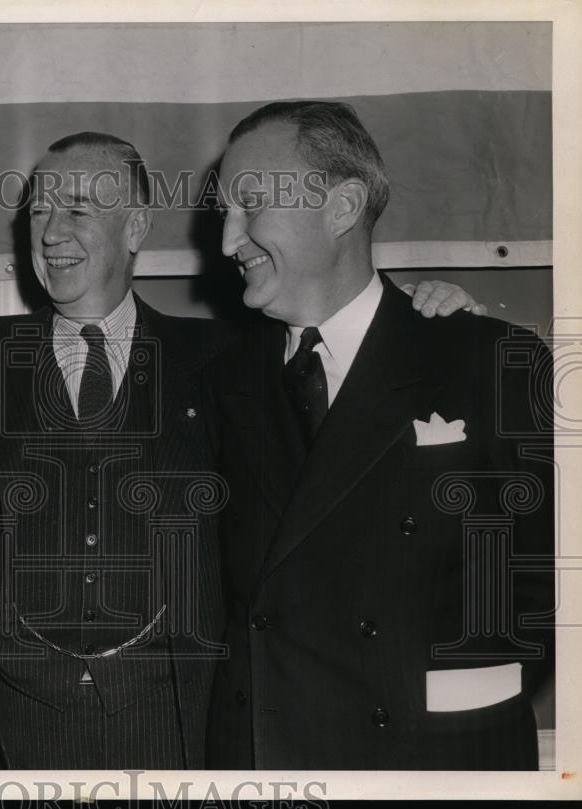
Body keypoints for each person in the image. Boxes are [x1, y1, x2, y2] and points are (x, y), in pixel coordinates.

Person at [0, 131, 481, 769]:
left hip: (178, 733)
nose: (50, 230)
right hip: (9, 735)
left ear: (136, 228)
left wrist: (432, 310)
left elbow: (342, 365)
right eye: (40, 210)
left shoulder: (227, 360)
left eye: (78, 207)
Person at [205, 100, 554, 770]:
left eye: (250, 205)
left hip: (432, 763)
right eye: (224, 211)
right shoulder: (218, 380)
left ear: (341, 209)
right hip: (271, 763)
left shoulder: (486, 359)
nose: (227, 241)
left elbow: (543, 587)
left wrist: (451, 711)